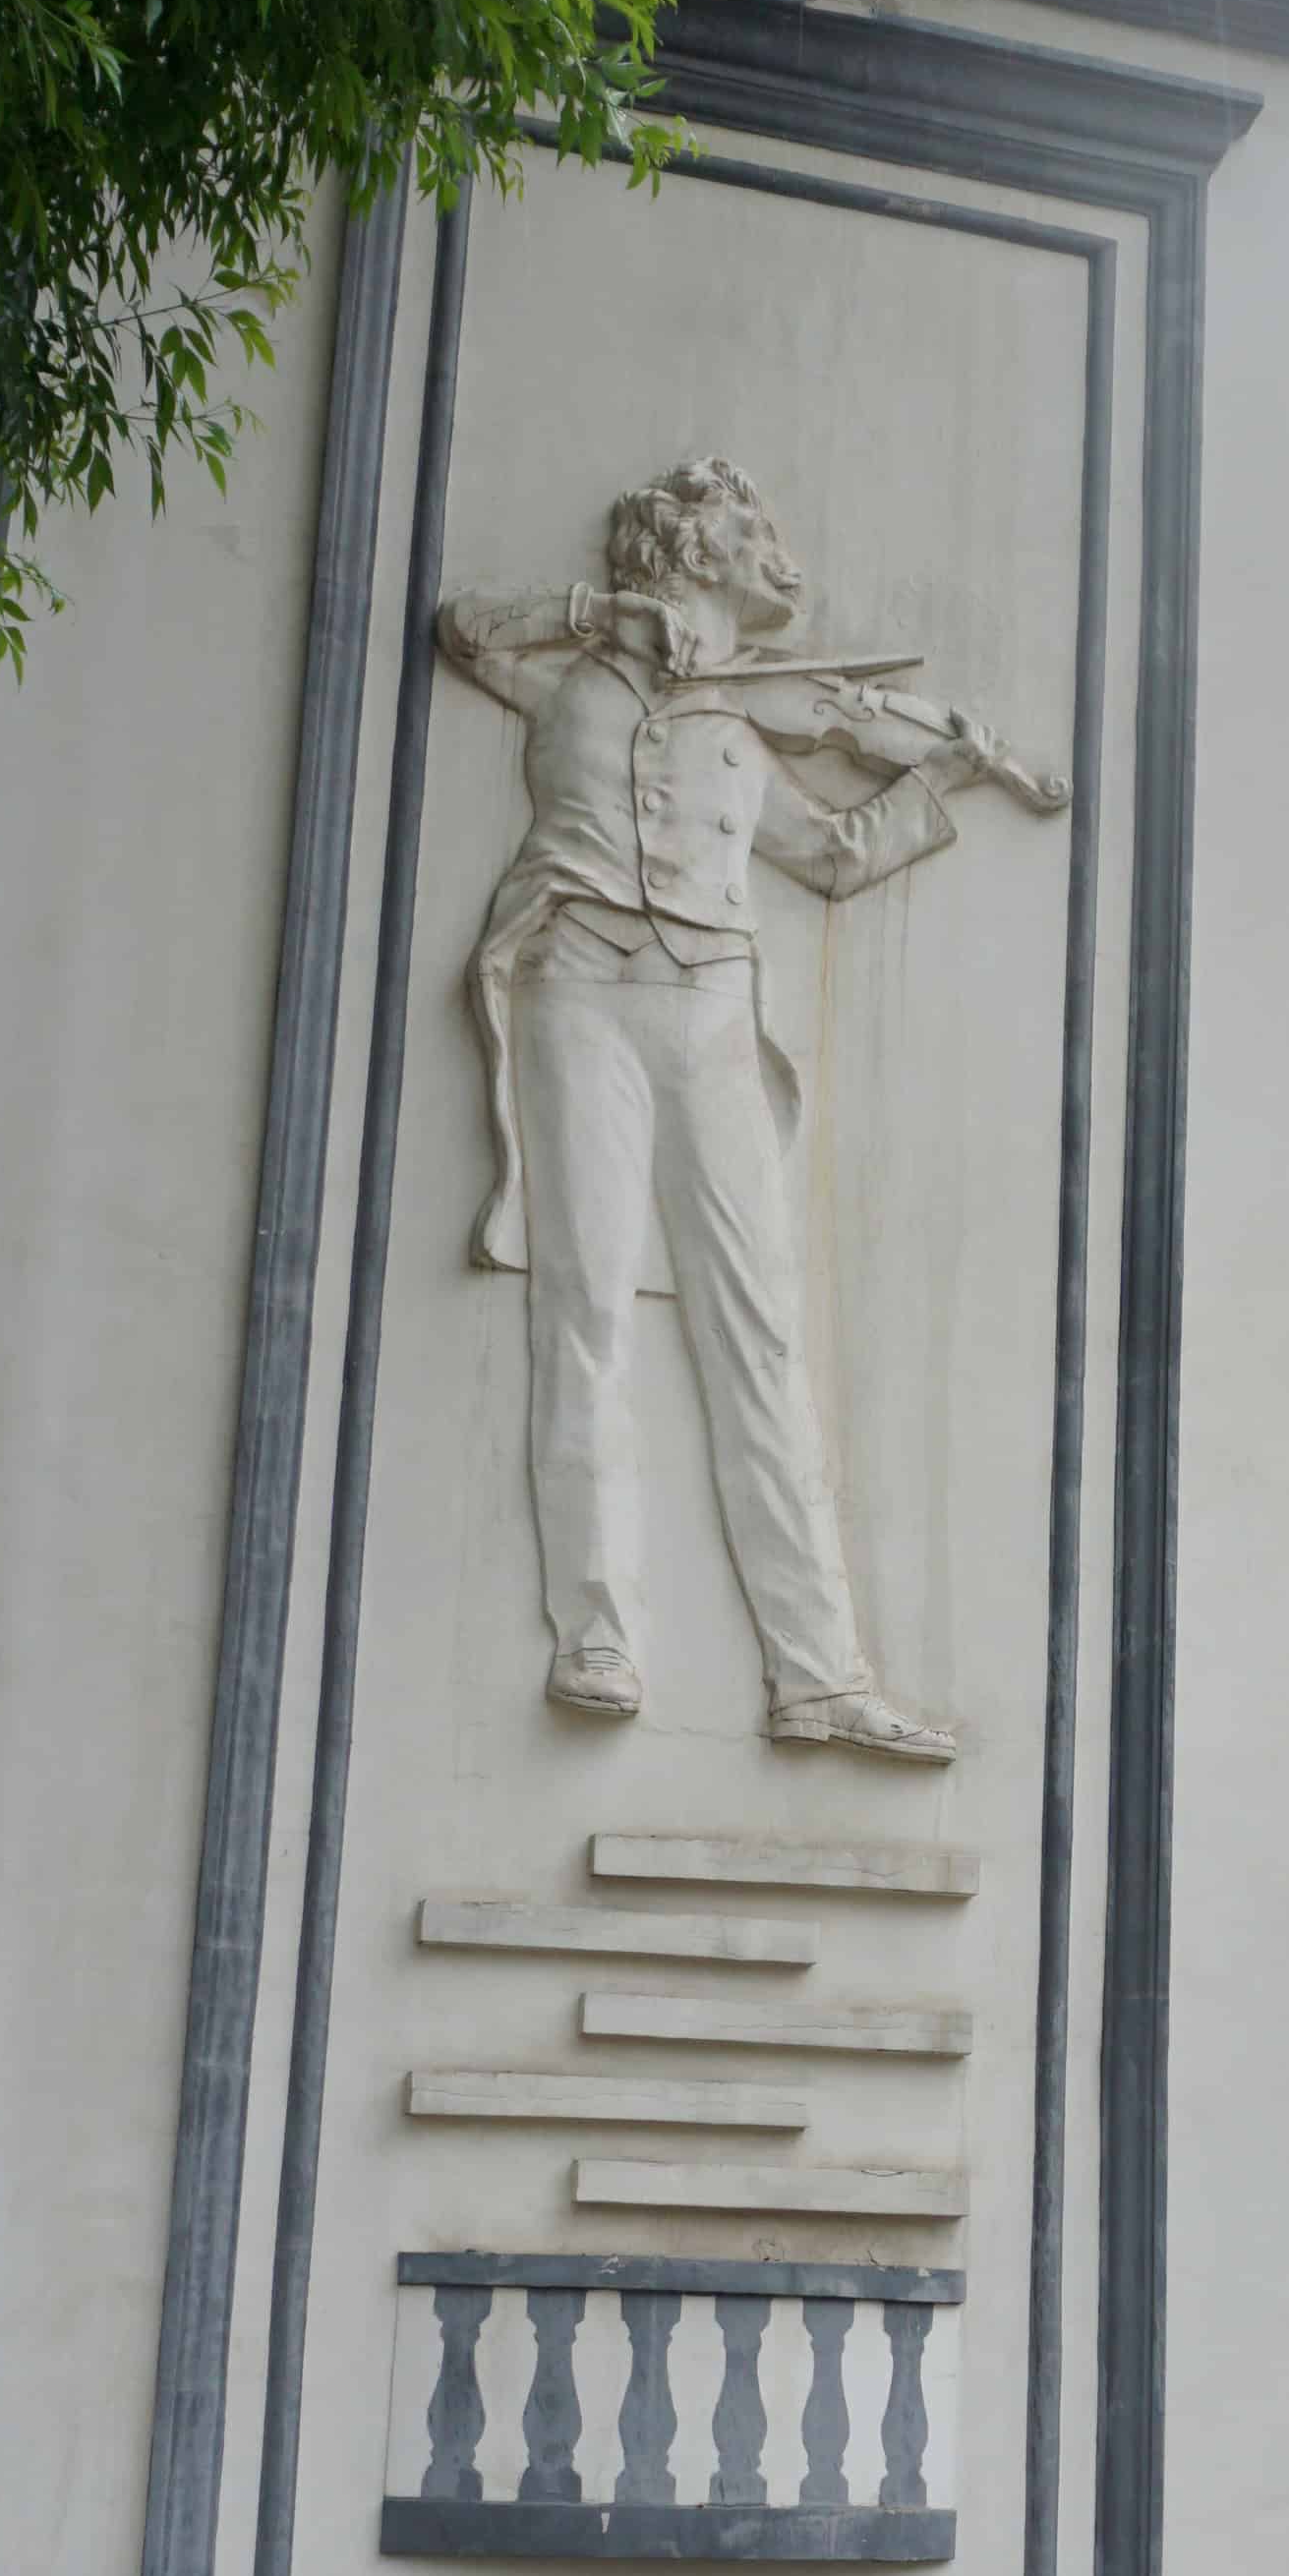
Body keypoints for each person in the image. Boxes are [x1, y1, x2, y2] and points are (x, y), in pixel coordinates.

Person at [436, 452, 1064, 1745]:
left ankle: (819, 1675)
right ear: (686, 550)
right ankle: (599, 1638)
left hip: (710, 1008)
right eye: (747, 529)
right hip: (576, 992)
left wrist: (948, 772)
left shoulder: (742, 727)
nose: (774, 549)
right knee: (585, 1314)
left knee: (760, 1335)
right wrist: (603, 612)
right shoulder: (570, 675)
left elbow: (831, 857)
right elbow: (465, 629)